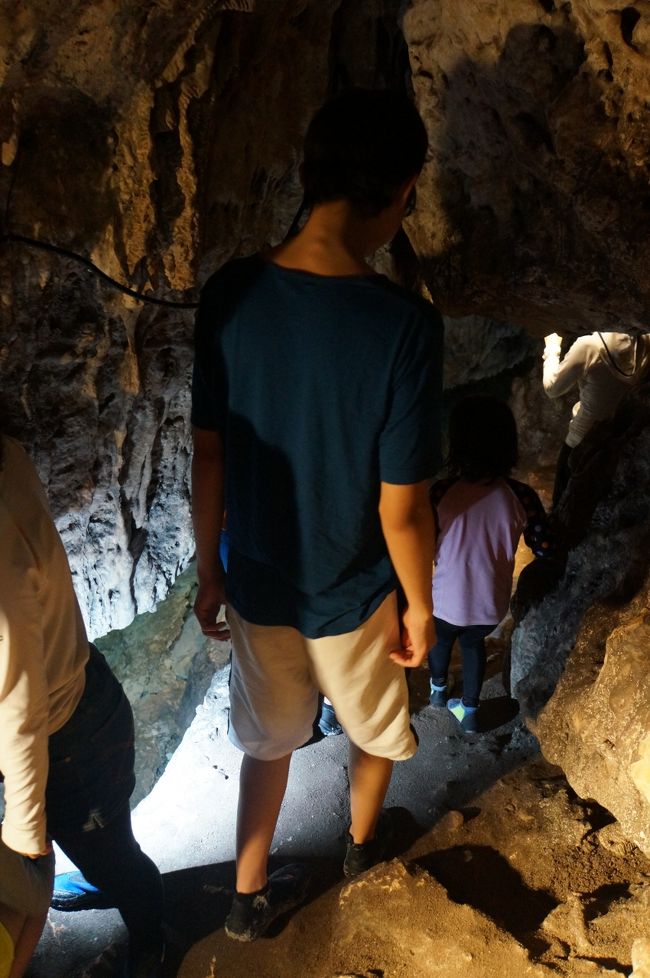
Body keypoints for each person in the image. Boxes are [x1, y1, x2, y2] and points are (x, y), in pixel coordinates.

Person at [191, 87, 443, 942]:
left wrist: (210, 570)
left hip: (258, 584)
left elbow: (210, 454)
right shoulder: (404, 327)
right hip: (352, 591)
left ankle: (247, 897)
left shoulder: (229, 293)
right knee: (375, 729)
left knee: (267, 741)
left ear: (307, 172)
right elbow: (402, 507)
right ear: (403, 190)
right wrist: (419, 605)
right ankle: (362, 852)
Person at [0, 433, 164, 978]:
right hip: (75, 699)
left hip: (69, 733)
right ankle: (102, 879)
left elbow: (19, 708)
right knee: (99, 848)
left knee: (116, 856)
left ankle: (151, 939)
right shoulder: (7, 454)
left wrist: (26, 833)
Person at [427, 396, 553, 732]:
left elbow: (423, 545)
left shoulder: (440, 492)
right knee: (473, 646)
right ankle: (469, 711)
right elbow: (544, 547)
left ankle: (438, 691)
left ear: (456, 443)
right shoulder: (521, 496)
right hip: (489, 603)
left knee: (440, 641)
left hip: (443, 599)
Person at [543, 330, 650, 506]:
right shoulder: (645, 340)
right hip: (615, 439)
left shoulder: (589, 345)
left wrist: (552, 346)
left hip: (581, 440)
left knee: (563, 504)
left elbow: (552, 388)